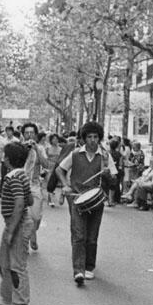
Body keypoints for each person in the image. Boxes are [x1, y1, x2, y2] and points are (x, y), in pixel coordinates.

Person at [55, 121, 117, 285]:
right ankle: (78, 270)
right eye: (89, 137)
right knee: (78, 235)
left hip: (97, 201)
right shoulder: (75, 154)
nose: (92, 140)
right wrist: (66, 185)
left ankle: (89, 266)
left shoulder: (105, 156)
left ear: (99, 138)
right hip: (77, 200)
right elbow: (59, 170)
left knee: (92, 237)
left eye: (95, 137)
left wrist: (108, 174)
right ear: (83, 138)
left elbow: (114, 180)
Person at [0, 142, 33, 305]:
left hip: (17, 225)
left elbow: (20, 203)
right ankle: (8, 301)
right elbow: (29, 199)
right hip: (16, 224)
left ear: (7, 159)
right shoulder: (21, 175)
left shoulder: (12, 178)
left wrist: (11, 231)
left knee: (17, 267)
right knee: (3, 262)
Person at [21, 122, 49, 252]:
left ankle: (33, 232)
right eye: (26, 133)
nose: (29, 135)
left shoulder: (41, 148)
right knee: (22, 216)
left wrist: (36, 149)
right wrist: (24, 150)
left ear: (36, 134)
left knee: (36, 217)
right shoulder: (18, 147)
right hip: (20, 184)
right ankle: (25, 241)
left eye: (31, 133)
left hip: (35, 185)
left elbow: (46, 164)